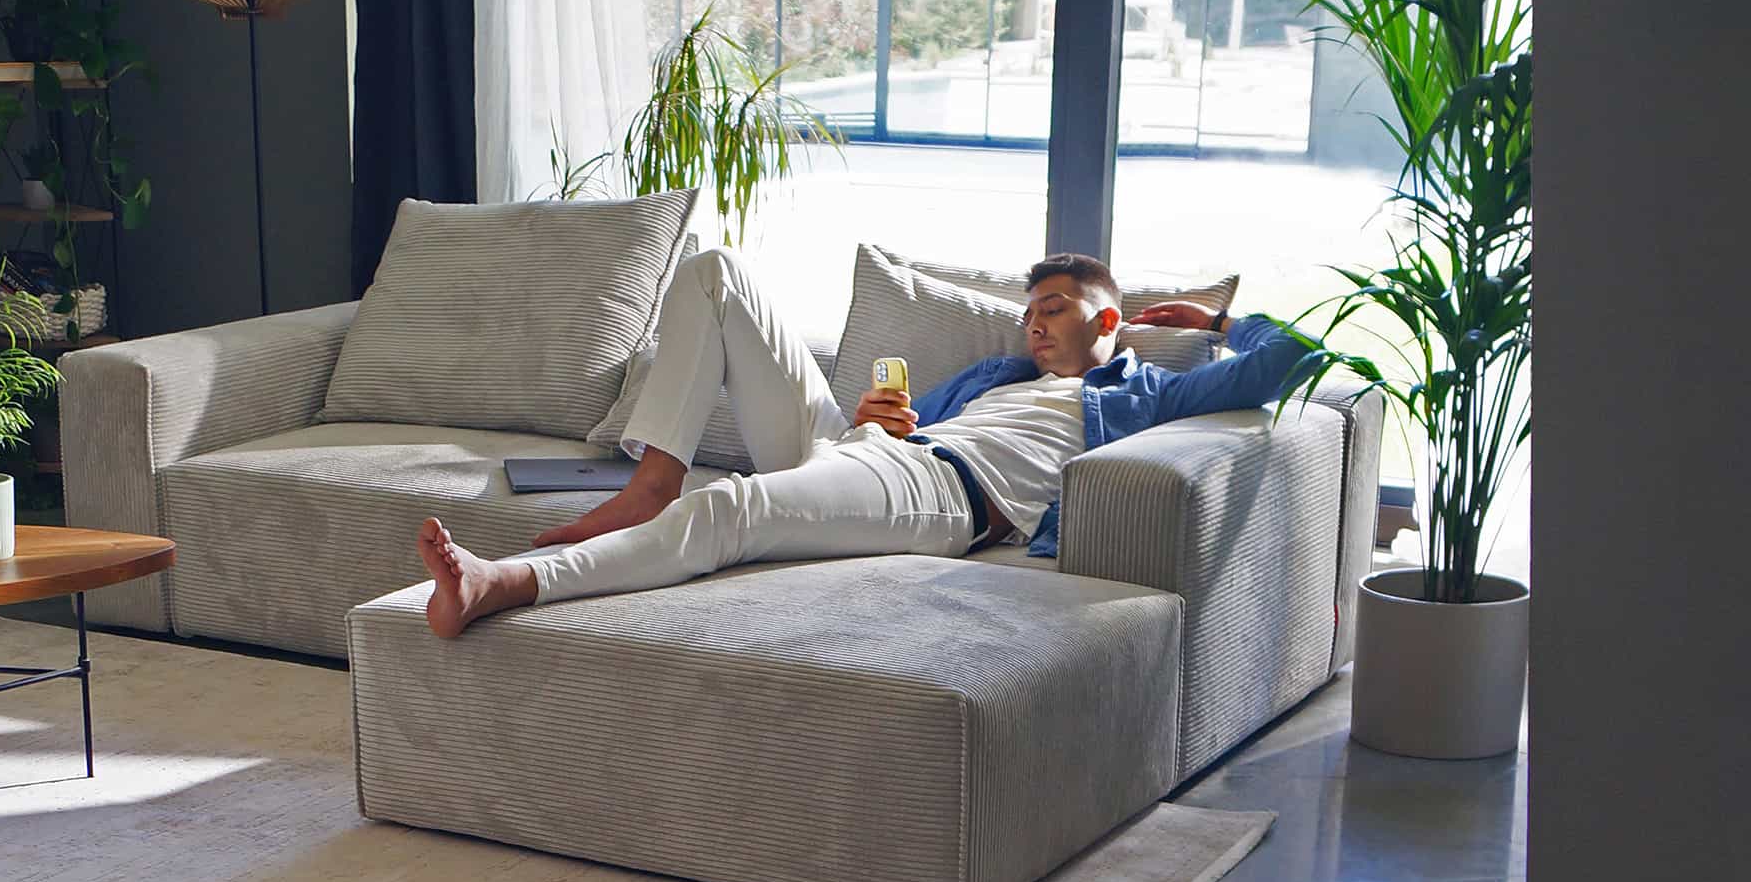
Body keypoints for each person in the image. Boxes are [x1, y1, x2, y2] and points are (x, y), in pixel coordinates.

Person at [415, 248, 1320, 638]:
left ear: (1109, 320)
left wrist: (1220, 324)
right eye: (1029, 313)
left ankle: (505, 583)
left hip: (947, 495)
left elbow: (1299, 358)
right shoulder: (1000, 376)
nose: (1036, 325)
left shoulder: (1146, 392)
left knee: (730, 506)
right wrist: (879, 416)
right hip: (869, 456)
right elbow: (898, 428)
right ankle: (653, 480)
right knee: (715, 274)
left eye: (1055, 308)